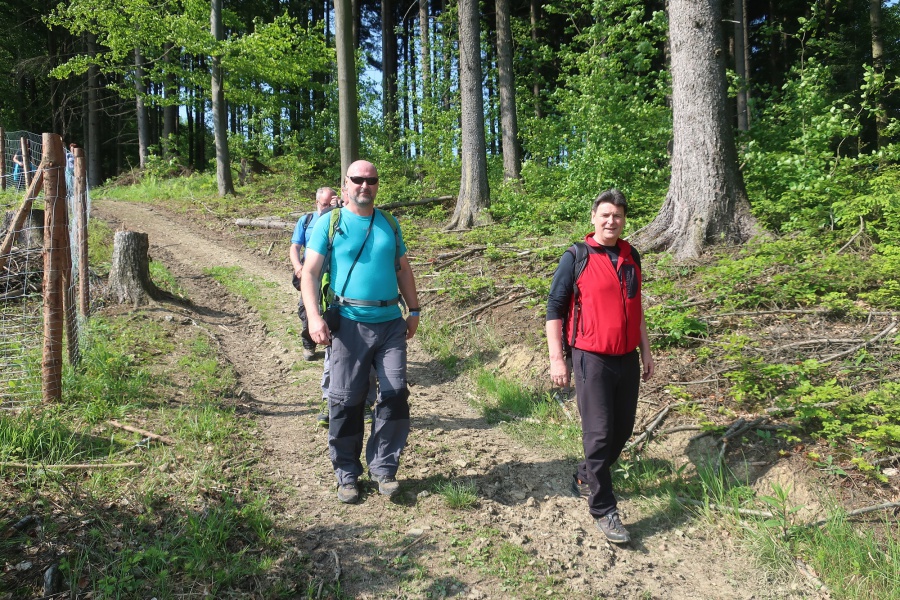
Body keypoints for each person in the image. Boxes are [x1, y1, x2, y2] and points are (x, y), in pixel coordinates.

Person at [301, 160, 420, 504]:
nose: (364, 185)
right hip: (349, 322)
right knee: (346, 400)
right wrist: (314, 318)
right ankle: (347, 473)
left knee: (395, 395)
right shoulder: (330, 223)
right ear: (346, 184)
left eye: (371, 180)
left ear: (377, 185)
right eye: (357, 179)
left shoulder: (389, 223)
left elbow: (403, 269)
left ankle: (384, 468)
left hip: (390, 322)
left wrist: (413, 310)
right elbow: (310, 273)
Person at [545, 188, 654, 544]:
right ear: (593, 217)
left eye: (617, 216)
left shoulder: (631, 256)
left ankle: (584, 475)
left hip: (627, 358)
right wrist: (557, 358)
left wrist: (646, 351)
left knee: (622, 430)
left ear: (624, 220)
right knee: (599, 433)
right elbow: (554, 310)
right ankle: (604, 509)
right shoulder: (576, 256)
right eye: (605, 215)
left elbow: (636, 309)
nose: (611, 221)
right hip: (590, 357)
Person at [290, 186, 339, 360]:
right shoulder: (306, 220)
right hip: (312, 273)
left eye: (330, 204)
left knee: (335, 309)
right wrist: (298, 266)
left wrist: (341, 207)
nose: (327, 208)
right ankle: (309, 343)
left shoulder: (341, 218)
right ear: (317, 202)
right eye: (324, 204)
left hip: (335, 273)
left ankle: (335, 342)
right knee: (307, 307)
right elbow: (295, 247)